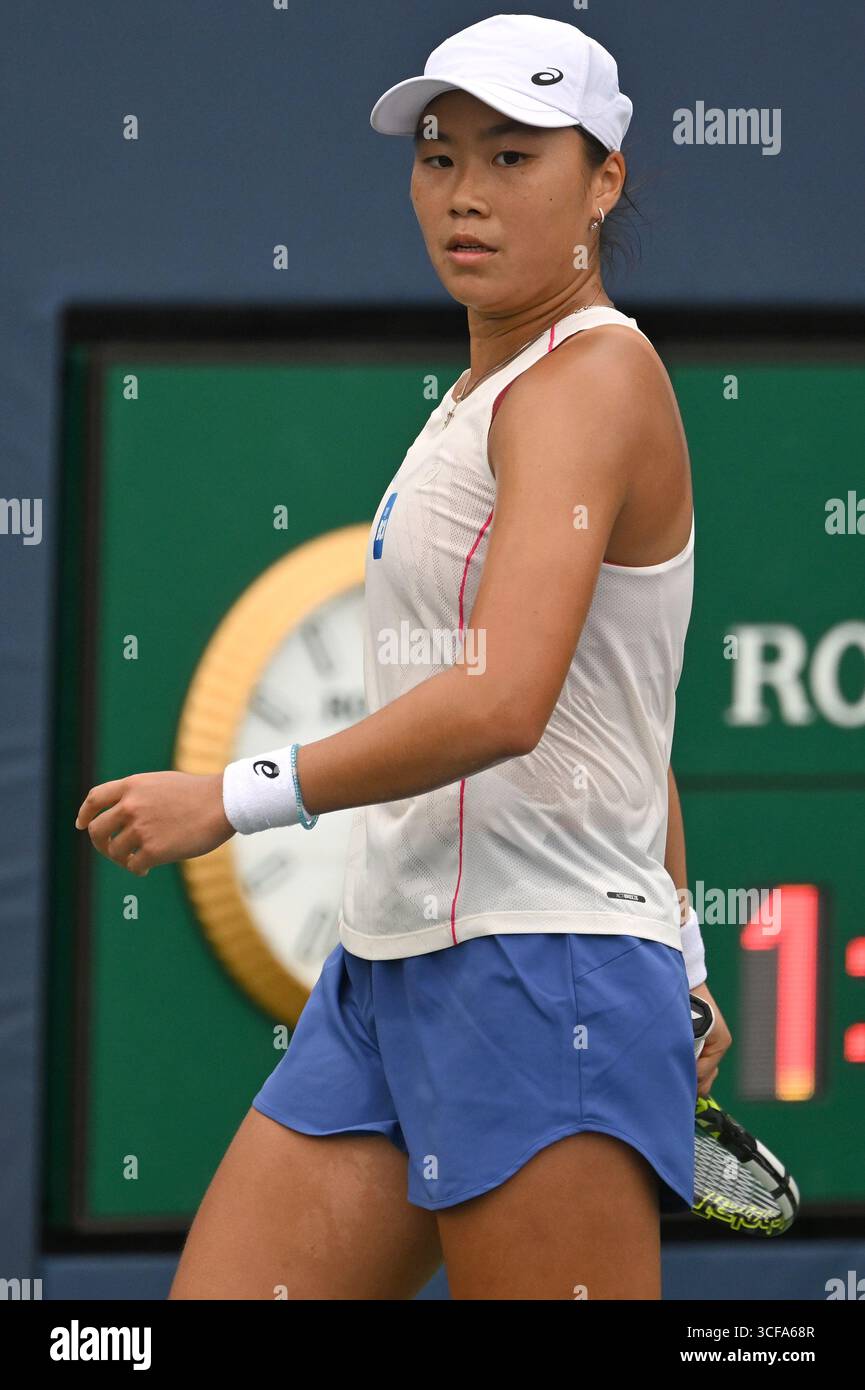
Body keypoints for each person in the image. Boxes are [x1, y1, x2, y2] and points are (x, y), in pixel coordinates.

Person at [75, 15, 731, 1299]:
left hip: (548, 982)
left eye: (513, 156)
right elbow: (625, 725)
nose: (464, 195)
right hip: (386, 975)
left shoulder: (593, 381)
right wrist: (693, 957)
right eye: (439, 158)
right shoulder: (477, 402)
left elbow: (508, 702)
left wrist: (234, 794)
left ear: (603, 178)